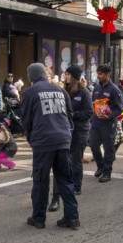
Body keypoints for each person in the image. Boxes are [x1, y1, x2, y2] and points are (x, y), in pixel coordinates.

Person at [21, 62, 79, 230]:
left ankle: (39, 218)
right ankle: (72, 218)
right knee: (65, 180)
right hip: (63, 139)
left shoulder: (30, 92)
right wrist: (67, 135)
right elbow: (69, 115)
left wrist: (32, 139)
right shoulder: (60, 90)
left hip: (43, 141)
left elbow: (26, 120)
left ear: (31, 76)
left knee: (41, 181)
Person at [48, 64, 93, 211]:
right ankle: (62, 189)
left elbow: (88, 112)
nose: (65, 76)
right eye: (64, 74)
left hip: (80, 131)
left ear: (73, 76)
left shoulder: (84, 92)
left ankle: (77, 186)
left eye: (67, 74)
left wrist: (73, 115)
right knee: (65, 160)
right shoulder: (63, 90)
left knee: (75, 159)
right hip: (66, 131)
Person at [89, 64, 123, 183]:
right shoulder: (97, 87)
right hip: (96, 122)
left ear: (108, 75)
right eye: (97, 73)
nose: (98, 76)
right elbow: (93, 102)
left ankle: (107, 172)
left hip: (108, 124)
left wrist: (109, 115)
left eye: (101, 74)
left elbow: (119, 108)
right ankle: (100, 166)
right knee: (93, 145)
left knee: (108, 148)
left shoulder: (114, 90)